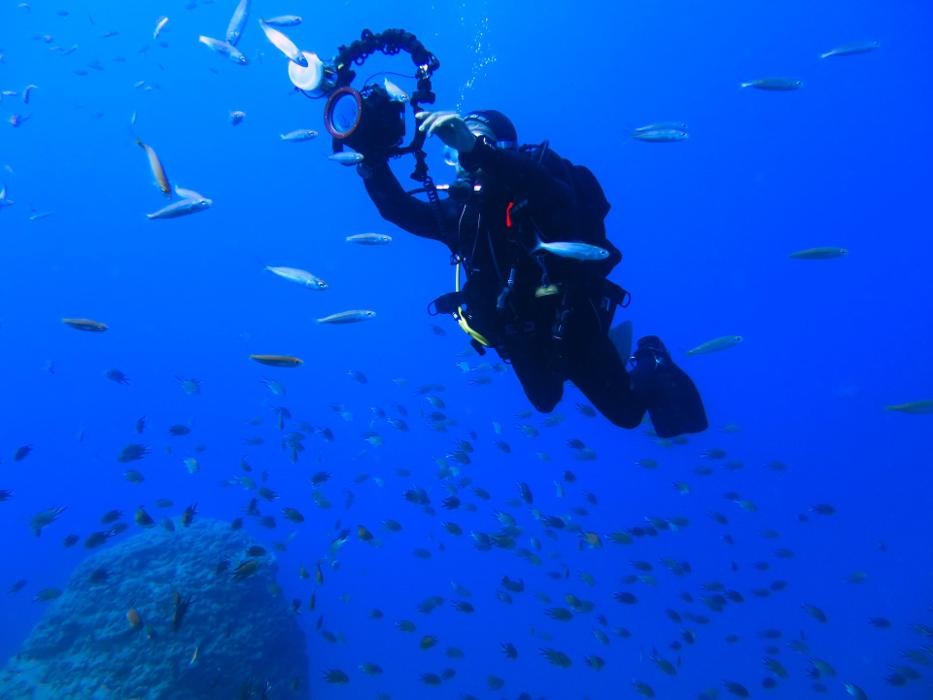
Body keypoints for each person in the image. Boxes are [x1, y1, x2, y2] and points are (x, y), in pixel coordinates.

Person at [354, 108, 707, 438]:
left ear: (503, 150)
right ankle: (581, 365)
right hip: (517, 332)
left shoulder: (539, 194)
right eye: (453, 152)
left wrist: (474, 148)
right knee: (545, 401)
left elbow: (548, 193)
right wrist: (369, 160)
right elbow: (397, 209)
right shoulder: (462, 217)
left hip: (571, 319)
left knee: (628, 415)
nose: (461, 160)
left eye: (471, 142)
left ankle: (649, 355)